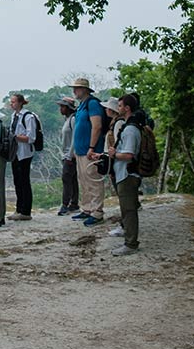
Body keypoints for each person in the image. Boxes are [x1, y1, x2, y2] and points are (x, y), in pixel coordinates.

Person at [106, 93, 146, 256]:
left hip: (127, 174)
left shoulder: (130, 130)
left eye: (121, 106)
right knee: (127, 208)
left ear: (127, 108)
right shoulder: (132, 126)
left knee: (129, 210)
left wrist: (114, 154)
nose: (118, 108)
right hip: (125, 173)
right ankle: (129, 240)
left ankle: (131, 243)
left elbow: (129, 155)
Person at [71, 78, 109, 226]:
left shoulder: (92, 104)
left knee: (93, 180)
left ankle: (97, 211)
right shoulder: (81, 106)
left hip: (90, 150)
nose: (75, 91)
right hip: (81, 150)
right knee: (83, 180)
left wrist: (92, 147)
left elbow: (97, 126)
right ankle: (87, 208)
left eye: (78, 88)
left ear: (85, 89)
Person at [8, 93, 40, 220]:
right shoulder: (14, 116)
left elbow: (31, 137)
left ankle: (26, 211)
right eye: (11, 102)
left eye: (14, 102)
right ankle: (19, 208)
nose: (12, 104)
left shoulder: (28, 117)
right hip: (15, 152)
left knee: (24, 181)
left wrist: (15, 137)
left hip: (25, 152)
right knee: (17, 181)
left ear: (20, 102)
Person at [55, 96, 80, 216]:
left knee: (66, 178)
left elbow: (75, 138)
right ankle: (74, 203)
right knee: (73, 179)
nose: (61, 109)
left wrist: (69, 155)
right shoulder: (68, 120)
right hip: (67, 154)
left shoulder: (73, 119)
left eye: (63, 106)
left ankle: (65, 204)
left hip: (71, 155)